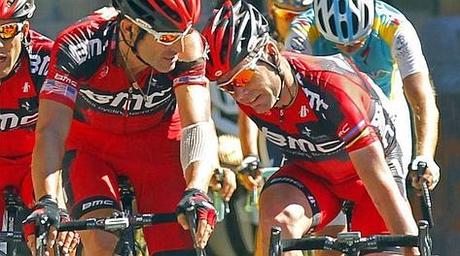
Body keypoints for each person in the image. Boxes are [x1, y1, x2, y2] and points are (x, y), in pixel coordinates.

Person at [203, 1, 427, 255]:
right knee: (277, 220)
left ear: (271, 53)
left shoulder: (330, 90)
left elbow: (379, 183)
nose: (239, 94)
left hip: (369, 175)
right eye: (227, 87)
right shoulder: (255, 93)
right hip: (314, 172)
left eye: (243, 78)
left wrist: (411, 248)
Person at [29, 0, 218, 255]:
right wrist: (48, 200)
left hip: (159, 149)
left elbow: (197, 123)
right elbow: (50, 129)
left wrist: (197, 190)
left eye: (185, 33)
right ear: (129, 30)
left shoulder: (189, 47)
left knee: (180, 244)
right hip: (91, 150)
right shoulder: (80, 45)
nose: (180, 46)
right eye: (168, 36)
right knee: (102, 244)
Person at [285, 0, 440, 192]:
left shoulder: (396, 28)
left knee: (391, 193)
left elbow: (422, 100)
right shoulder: (302, 33)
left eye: (358, 42)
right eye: (338, 43)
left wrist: (425, 155)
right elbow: (292, 99)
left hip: (386, 110)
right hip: (330, 115)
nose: (349, 48)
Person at [0, 0, 80, 255]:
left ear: (24, 30)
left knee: (57, 235)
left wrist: (62, 205)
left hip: (36, 165)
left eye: (6, 30)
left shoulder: (46, 60)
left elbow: (71, 134)